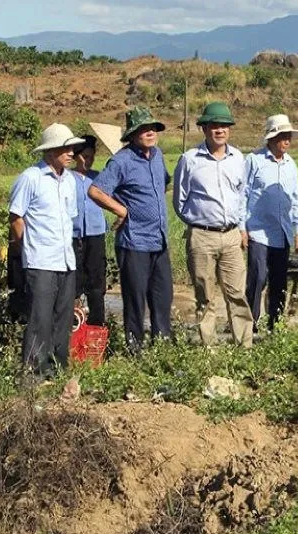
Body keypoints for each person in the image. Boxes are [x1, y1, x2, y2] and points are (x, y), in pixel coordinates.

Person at [88, 107, 172, 351]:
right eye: (144, 129)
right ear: (133, 135)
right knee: (135, 299)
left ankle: (162, 348)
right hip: (134, 241)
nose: (150, 133)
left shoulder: (157, 155)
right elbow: (96, 190)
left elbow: (163, 183)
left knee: (162, 297)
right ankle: (135, 349)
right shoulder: (121, 161)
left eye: (152, 128)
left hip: (159, 240)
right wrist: (121, 210)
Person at [173, 101, 253, 347]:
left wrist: (241, 228)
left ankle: (245, 346)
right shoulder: (190, 160)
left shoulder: (238, 158)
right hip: (202, 236)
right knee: (205, 296)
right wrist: (198, 223)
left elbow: (242, 196)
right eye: (214, 126)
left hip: (231, 236)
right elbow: (180, 201)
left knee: (237, 294)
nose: (220, 130)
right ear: (204, 129)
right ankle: (209, 348)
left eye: (224, 126)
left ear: (229, 129)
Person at [9, 123, 85, 378]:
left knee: (63, 319)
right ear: (51, 151)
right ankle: (33, 375)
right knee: (39, 319)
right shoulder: (31, 178)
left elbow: (69, 220)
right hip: (40, 260)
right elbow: (16, 218)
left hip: (65, 260)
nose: (72, 153)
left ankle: (57, 371)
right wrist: (27, 249)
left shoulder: (70, 181)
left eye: (72, 148)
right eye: (66, 148)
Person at [244, 114, 298, 332]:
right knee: (258, 278)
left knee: (279, 282)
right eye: (282, 136)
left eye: (289, 136)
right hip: (258, 231)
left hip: (282, 232)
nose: (287, 140)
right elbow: (243, 194)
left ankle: (274, 326)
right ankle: (249, 325)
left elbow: (295, 198)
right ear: (271, 138)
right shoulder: (254, 160)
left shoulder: (291, 164)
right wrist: (242, 227)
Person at [71, 135, 108, 326]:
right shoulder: (66, 178)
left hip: (95, 234)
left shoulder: (98, 178)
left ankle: (97, 325)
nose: (89, 160)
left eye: (92, 156)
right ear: (75, 156)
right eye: (85, 156)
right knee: (73, 281)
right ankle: (74, 325)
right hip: (73, 236)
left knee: (96, 281)